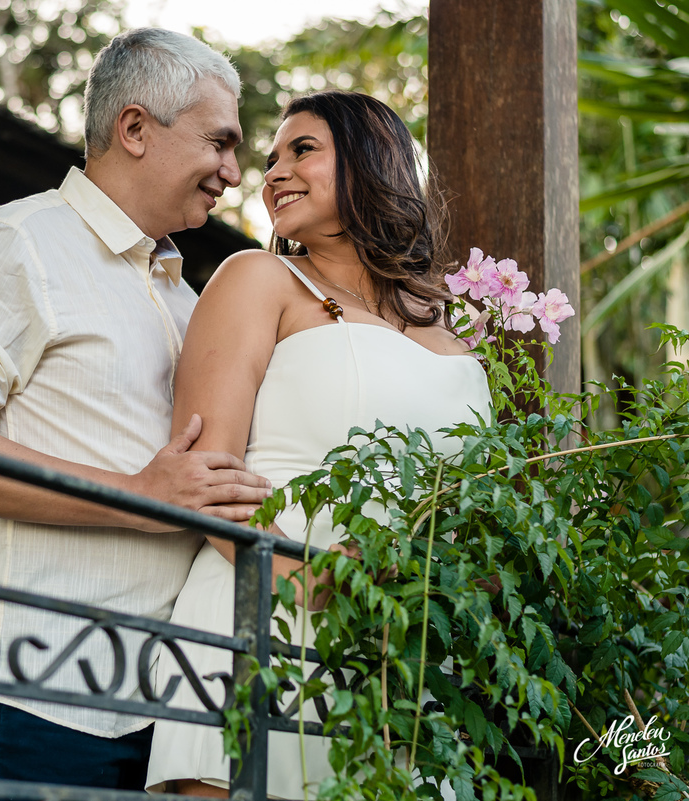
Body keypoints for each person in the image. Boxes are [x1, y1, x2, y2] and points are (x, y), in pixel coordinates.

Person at [0, 28, 273, 795]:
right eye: (219, 142)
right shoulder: (19, 242)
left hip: (174, 717)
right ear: (135, 128)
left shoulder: (191, 299)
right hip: (41, 702)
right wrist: (137, 496)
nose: (234, 173)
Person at [145, 90, 493, 798]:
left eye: (302, 150)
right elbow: (204, 472)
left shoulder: (453, 333)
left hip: (402, 654)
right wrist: (312, 581)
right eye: (271, 158)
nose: (274, 172)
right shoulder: (259, 278)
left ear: (374, 162)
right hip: (265, 614)